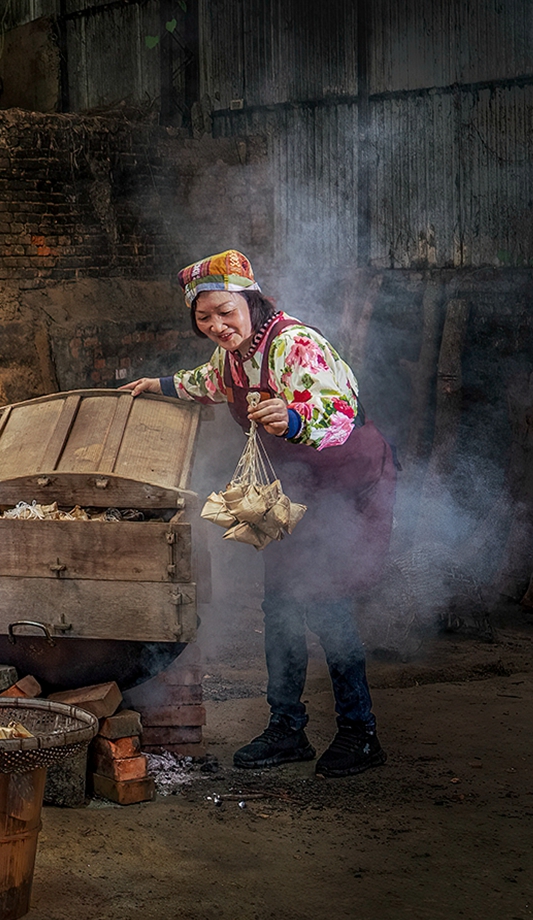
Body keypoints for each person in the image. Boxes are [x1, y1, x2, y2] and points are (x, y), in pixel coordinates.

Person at [121, 250, 397, 778]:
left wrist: (292, 417)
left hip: (346, 484)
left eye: (226, 311)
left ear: (249, 300)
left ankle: (361, 734)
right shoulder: (232, 358)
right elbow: (201, 383)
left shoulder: (294, 344)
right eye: (204, 318)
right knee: (281, 605)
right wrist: (155, 386)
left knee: (328, 606)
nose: (217, 326)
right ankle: (287, 729)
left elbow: (340, 411)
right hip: (295, 494)